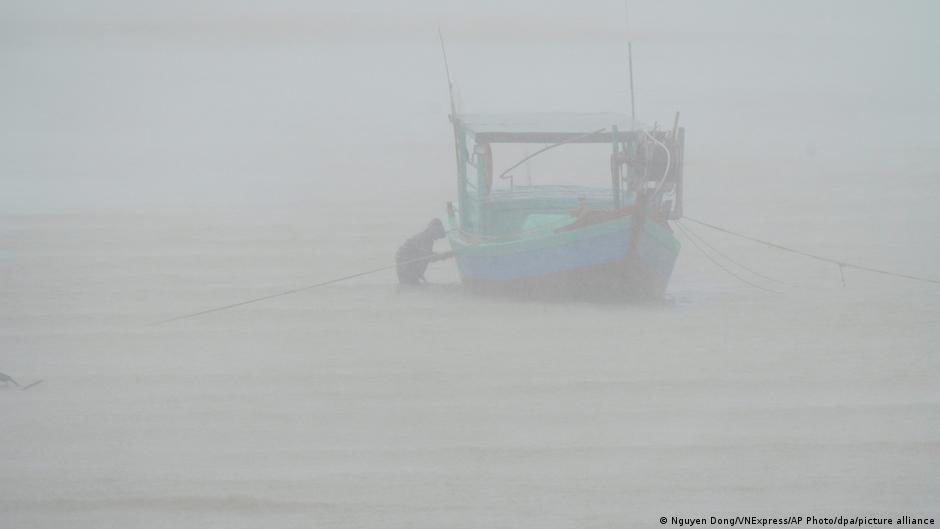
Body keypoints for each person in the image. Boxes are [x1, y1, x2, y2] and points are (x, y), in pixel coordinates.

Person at [395, 218, 450, 285]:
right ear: (433, 231)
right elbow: (428, 257)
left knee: (412, 285)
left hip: (410, 263)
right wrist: (446, 255)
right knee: (409, 286)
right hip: (404, 264)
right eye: (437, 234)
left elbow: (424, 256)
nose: (437, 238)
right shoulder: (424, 238)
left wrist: (419, 274)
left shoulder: (428, 239)